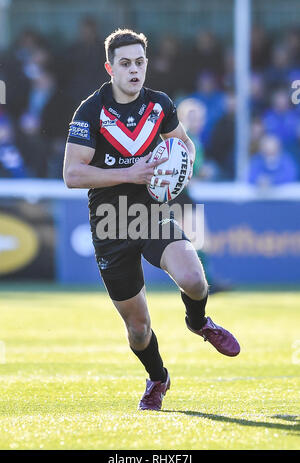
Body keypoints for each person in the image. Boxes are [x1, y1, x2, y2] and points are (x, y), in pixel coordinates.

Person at [63, 29, 240, 412]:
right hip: (110, 223)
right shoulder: (90, 112)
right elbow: (72, 175)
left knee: (194, 278)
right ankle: (158, 377)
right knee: (138, 329)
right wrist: (133, 173)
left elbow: (185, 146)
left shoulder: (160, 105)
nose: (134, 70)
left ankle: (199, 321)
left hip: (150, 213)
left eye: (140, 62)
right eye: (125, 63)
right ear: (110, 68)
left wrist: (180, 170)